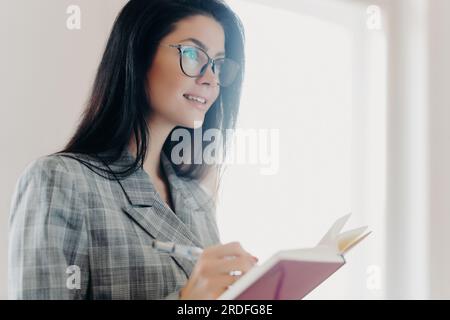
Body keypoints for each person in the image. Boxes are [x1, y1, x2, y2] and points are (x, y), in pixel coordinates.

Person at [8, 0, 257, 300]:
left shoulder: (197, 202)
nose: (211, 78)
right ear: (138, 54)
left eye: (218, 64)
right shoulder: (59, 181)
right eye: (193, 54)